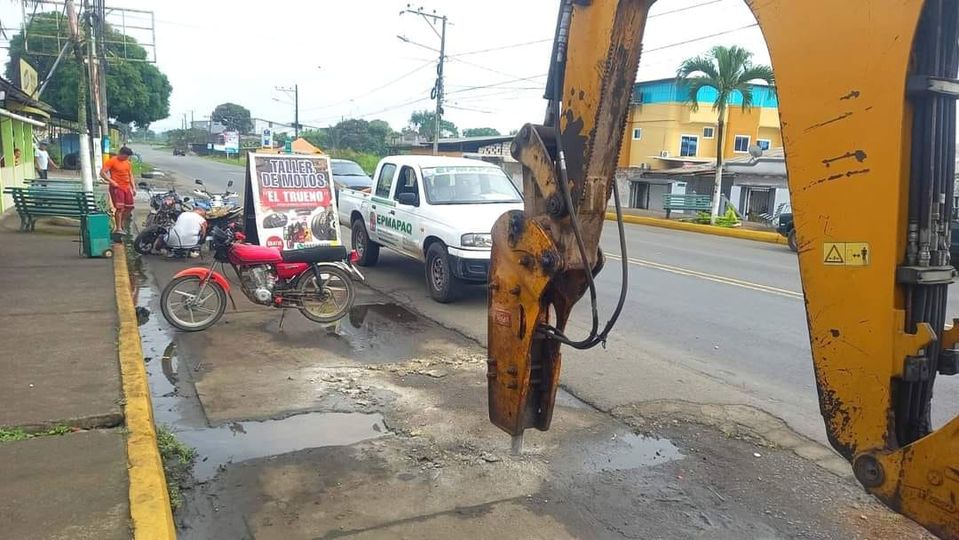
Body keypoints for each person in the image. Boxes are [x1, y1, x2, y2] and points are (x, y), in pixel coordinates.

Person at [101, 146, 136, 238]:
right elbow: (102, 173)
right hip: (117, 187)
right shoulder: (112, 161)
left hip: (127, 187)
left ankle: (121, 222)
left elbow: (130, 175)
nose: (126, 158)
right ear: (121, 154)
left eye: (127, 157)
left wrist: (133, 187)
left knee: (129, 207)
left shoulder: (127, 163)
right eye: (125, 156)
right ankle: (118, 228)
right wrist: (112, 181)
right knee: (119, 208)